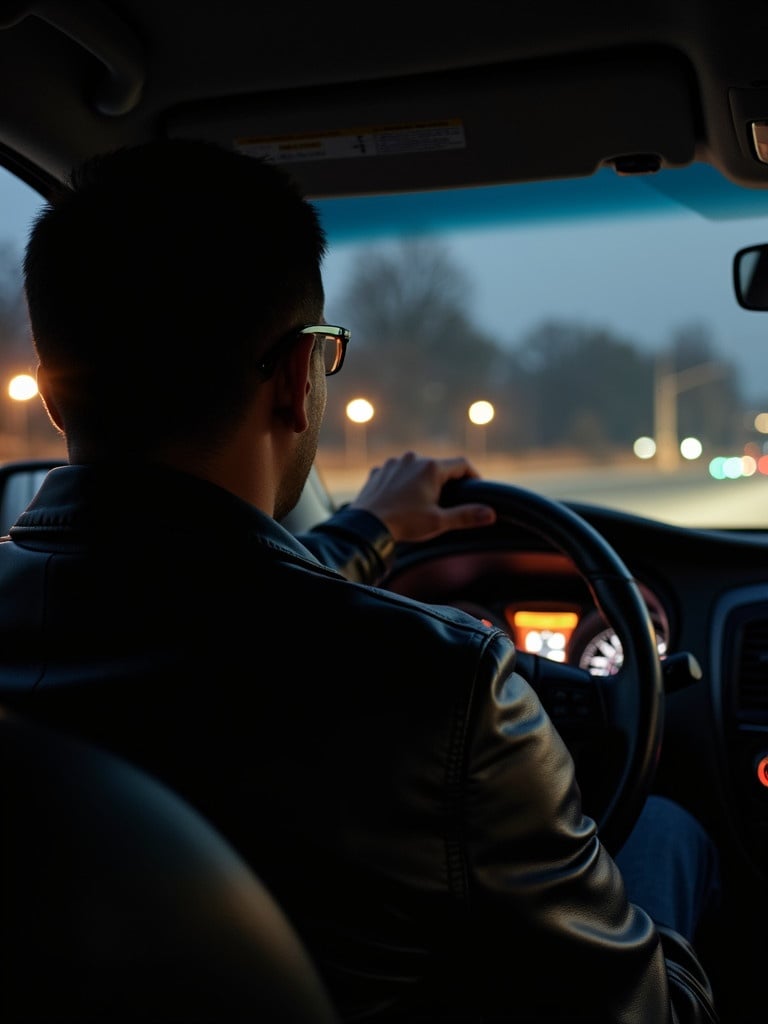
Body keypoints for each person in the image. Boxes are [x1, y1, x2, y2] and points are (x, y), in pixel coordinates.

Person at [0, 137, 720, 1023]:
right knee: (666, 831)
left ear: (54, 395)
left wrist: (369, 531)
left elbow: (198, 602)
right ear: (302, 378)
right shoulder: (445, 687)